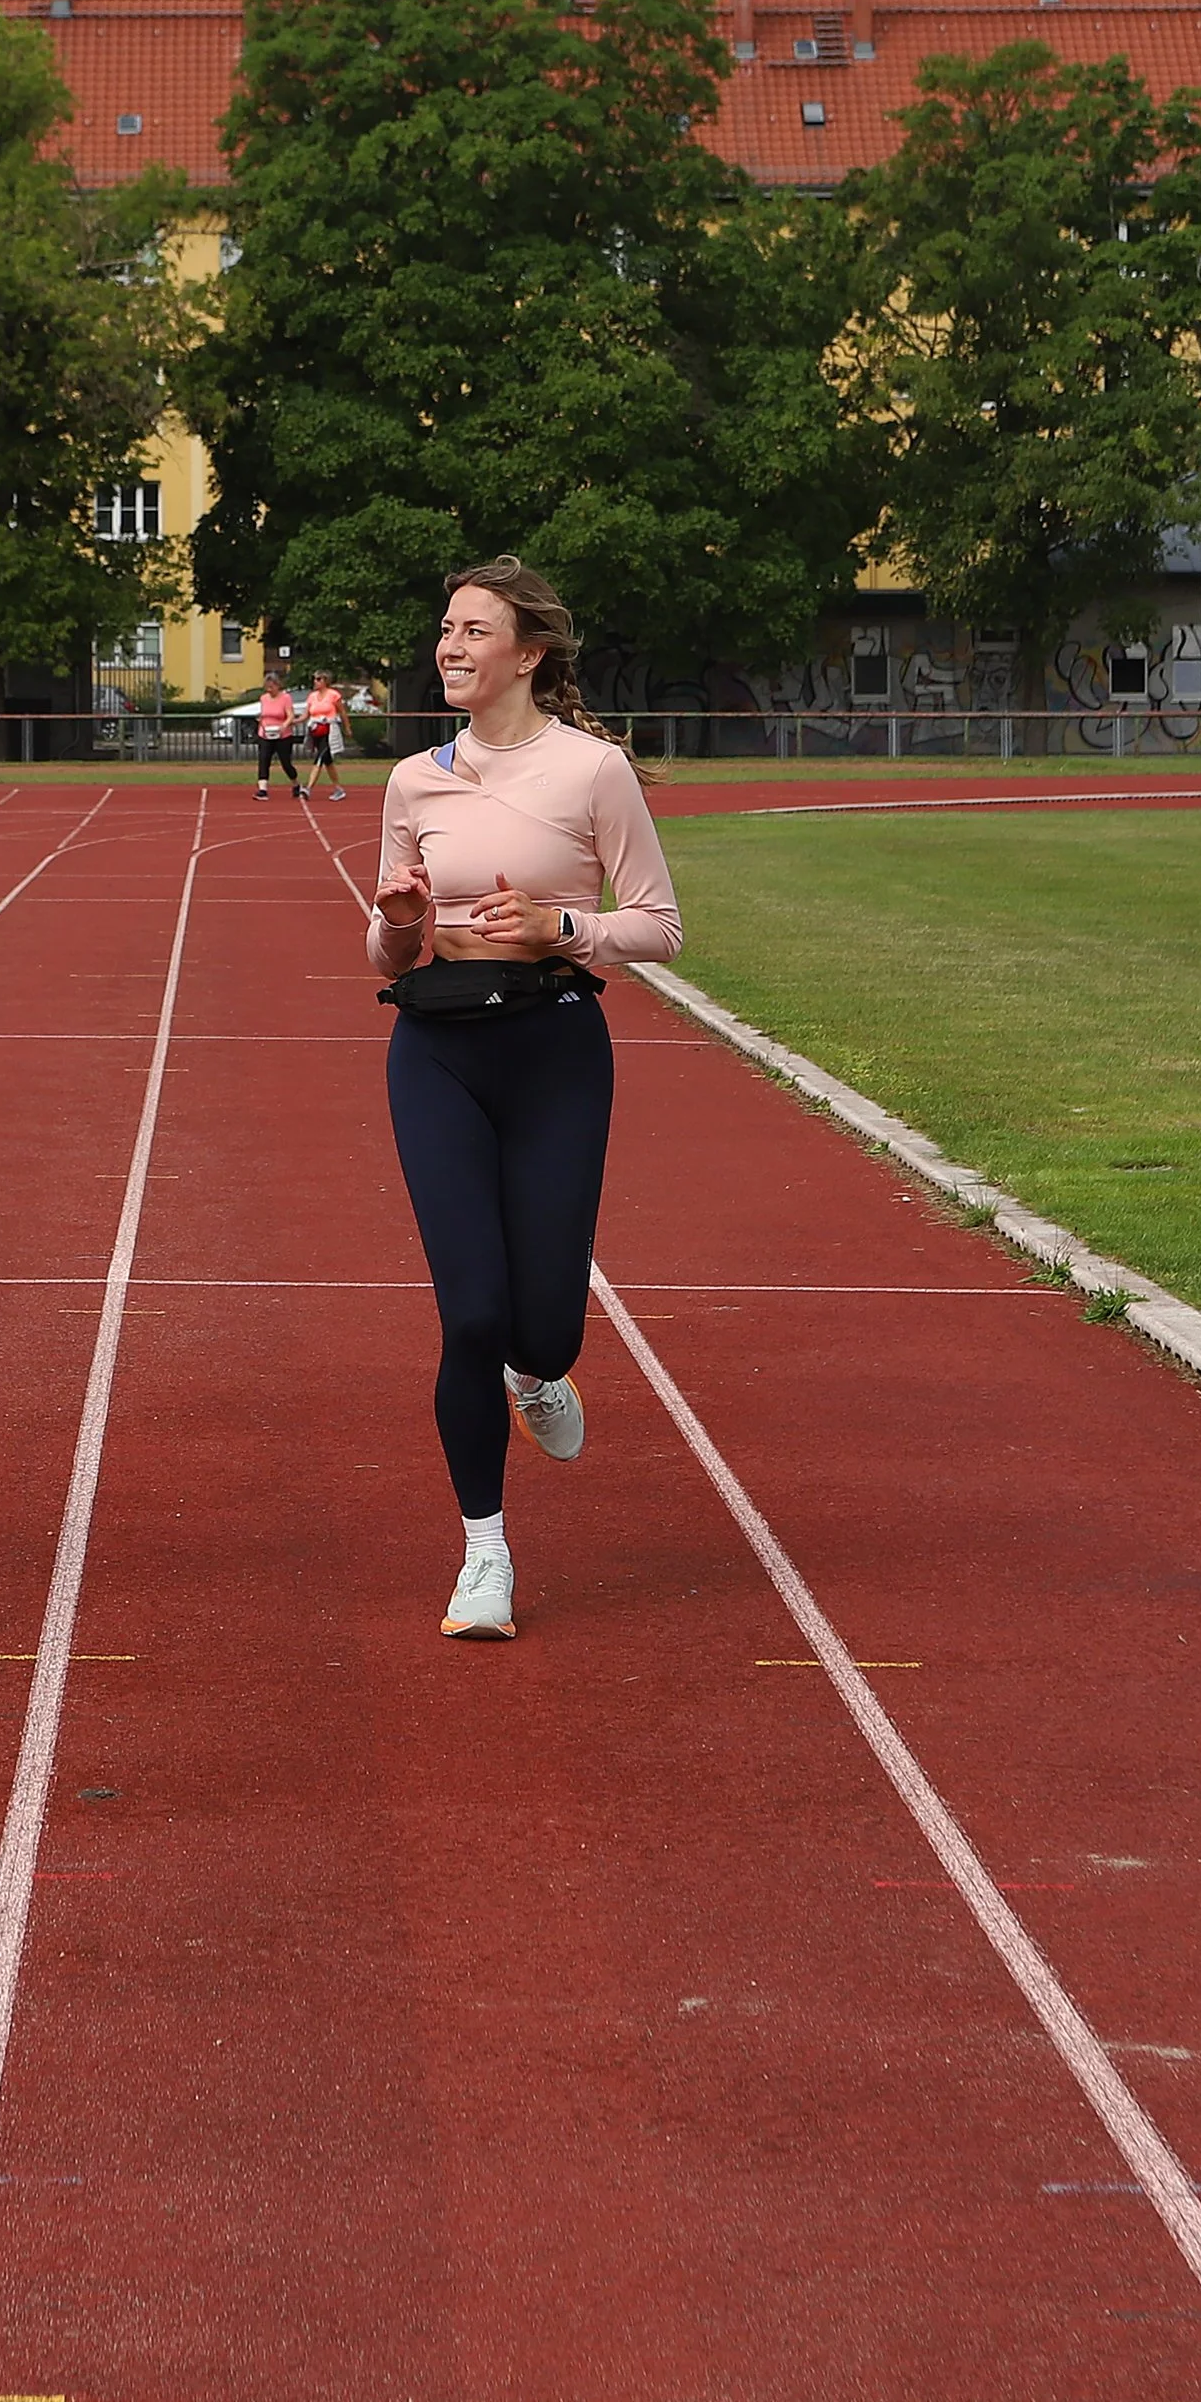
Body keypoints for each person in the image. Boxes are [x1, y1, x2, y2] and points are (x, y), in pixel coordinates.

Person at [367, 558, 680, 1642]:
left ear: (527, 652)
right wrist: (403, 918)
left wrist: (564, 931)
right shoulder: (414, 778)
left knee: (543, 1327)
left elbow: (658, 924)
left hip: (553, 1047)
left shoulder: (593, 772)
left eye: (470, 630)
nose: (448, 646)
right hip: (436, 1049)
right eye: (443, 628)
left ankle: (535, 1374)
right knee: (470, 1312)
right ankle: (483, 1553)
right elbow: (382, 941)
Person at [253, 671, 302, 800]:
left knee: (285, 763)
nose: (269, 690)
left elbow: (290, 714)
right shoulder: (263, 698)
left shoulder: (285, 698)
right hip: (265, 734)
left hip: (283, 735)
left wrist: (284, 725)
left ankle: (296, 784)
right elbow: (263, 714)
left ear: (277, 685)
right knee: (263, 760)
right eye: (267, 687)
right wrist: (261, 725)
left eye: (271, 687)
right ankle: (262, 789)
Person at [302, 670, 349, 801]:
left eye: (318, 679)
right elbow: (306, 714)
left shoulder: (334, 695)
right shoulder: (312, 696)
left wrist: (347, 728)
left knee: (320, 758)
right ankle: (338, 788)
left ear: (325, 681)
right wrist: (292, 722)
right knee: (327, 761)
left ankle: (308, 788)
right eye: (314, 679)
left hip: (329, 730)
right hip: (316, 730)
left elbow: (342, 713)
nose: (315, 682)